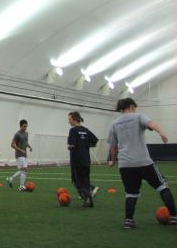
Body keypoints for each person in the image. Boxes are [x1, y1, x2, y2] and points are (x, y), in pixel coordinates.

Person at [108, 98, 177, 229]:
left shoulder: (114, 123)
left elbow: (112, 146)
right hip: (143, 161)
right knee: (162, 186)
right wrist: (161, 132)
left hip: (125, 164)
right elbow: (151, 124)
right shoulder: (139, 116)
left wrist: (112, 159)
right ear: (131, 106)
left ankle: (128, 220)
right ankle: (174, 216)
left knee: (130, 193)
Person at [67, 112, 98, 207]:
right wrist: (85, 145)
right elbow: (95, 141)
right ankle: (87, 199)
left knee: (76, 181)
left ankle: (87, 198)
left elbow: (71, 145)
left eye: (69, 119)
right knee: (86, 180)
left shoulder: (73, 130)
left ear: (74, 119)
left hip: (76, 160)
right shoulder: (86, 130)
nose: (69, 121)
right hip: (86, 160)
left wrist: (70, 147)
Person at [7, 119, 32, 191]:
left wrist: (29, 147)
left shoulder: (27, 133)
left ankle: (10, 179)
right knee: (25, 169)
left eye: (26, 126)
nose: (25, 128)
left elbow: (25, 142)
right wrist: (20, 150)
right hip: (19, 155)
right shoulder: (17, 134)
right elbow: (12, 145)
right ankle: (21, 186)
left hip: (24, 155)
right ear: (20, 126)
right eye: (24, 126)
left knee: (22, 170)